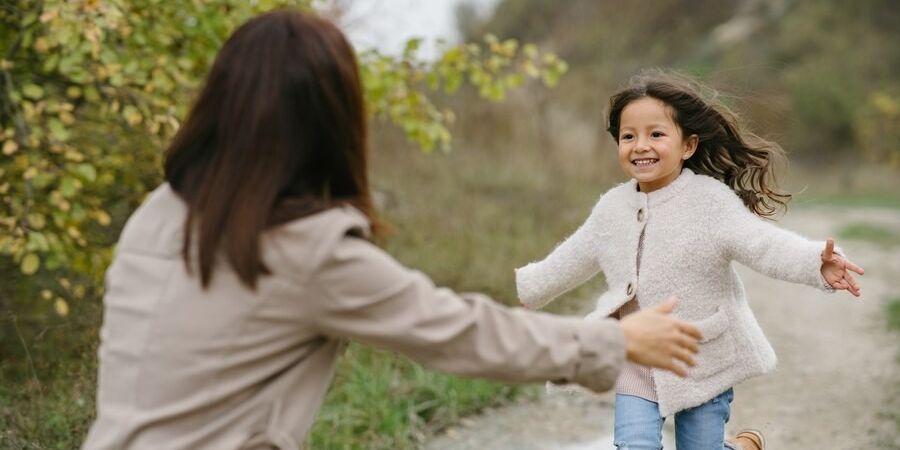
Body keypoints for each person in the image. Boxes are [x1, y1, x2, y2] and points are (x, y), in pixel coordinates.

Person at [80, 11, 704, 450]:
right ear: (333, 119)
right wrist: (615, 344)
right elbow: (458, 333)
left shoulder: (159, 211)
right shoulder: (306, 249)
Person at [514, 71, 865, 450]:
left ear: (688, 145)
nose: (640, 145)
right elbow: (575, 255)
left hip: (700, 357)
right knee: (634, 445)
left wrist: (815, 263)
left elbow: (763, 244)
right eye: (628, 136)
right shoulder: (612, 208)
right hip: (636, 353)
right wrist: (531, 287)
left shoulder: (710, 202)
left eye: (656, 134)